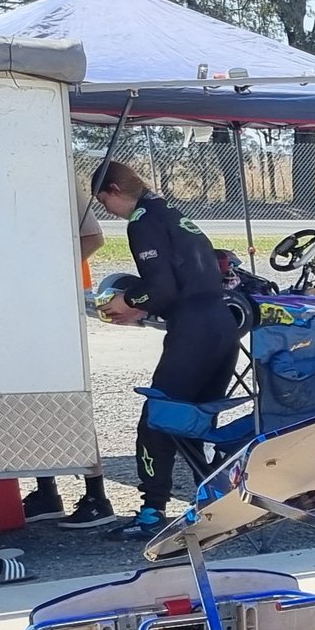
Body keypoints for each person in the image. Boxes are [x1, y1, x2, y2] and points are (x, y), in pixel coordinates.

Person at [91, 161, 242, 540]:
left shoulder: (142, 221)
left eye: (102, 201)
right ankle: (210, 502)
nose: (105, 210)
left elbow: (162, 288)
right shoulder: (174, 214)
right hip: (223, 327)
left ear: (113, 191)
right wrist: (146, 305)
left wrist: (129, 300)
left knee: (156, 419)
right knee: (194, 419)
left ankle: (151, 512)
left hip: (193, 332)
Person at [23, 207, 117, 529]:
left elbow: (93, 236)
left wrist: (48, 273)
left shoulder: (55, 169)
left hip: (54, 303)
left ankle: (96, 497)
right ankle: (46, 491)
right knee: (31, 400)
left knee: (69, 401)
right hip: (25, 302)